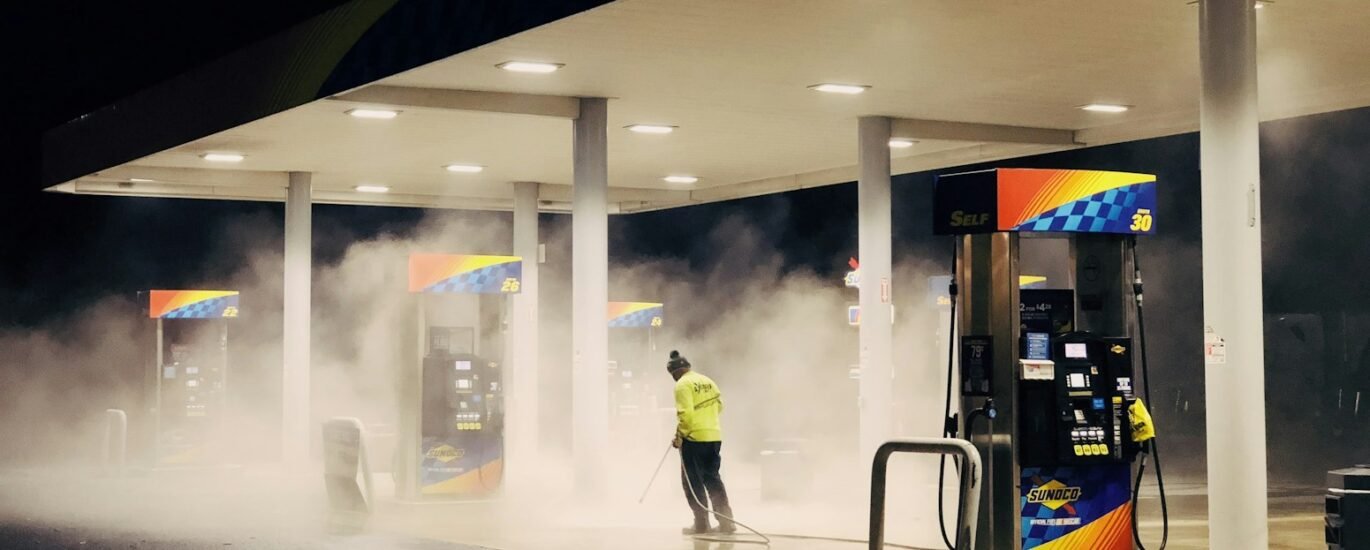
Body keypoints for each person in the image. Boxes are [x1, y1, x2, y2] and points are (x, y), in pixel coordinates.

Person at [667, 350, 736, 535]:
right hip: (713, 436)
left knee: (692, 483)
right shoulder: (707, 381)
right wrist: (706, 420)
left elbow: (686, 415)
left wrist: (680, 436)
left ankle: (701, 524)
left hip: (694, 439)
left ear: (675, 372)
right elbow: (719, 405)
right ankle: (727, 522)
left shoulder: (682, 385)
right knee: (713, 479)